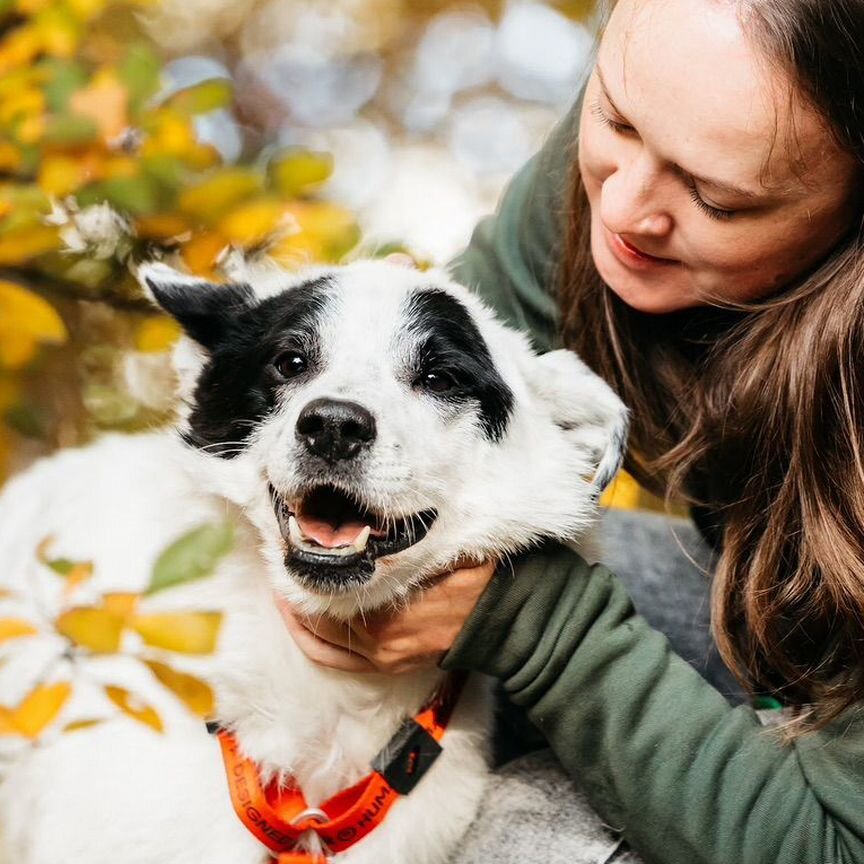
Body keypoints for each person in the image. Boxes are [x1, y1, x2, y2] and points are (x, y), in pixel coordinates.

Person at [278, 0, 864, 861]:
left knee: (527, 831)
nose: (625, 211)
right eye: (615, 118)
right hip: (777, 634)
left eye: (717, 199)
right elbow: (454, 418)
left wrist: (533, 625)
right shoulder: (674, 124)